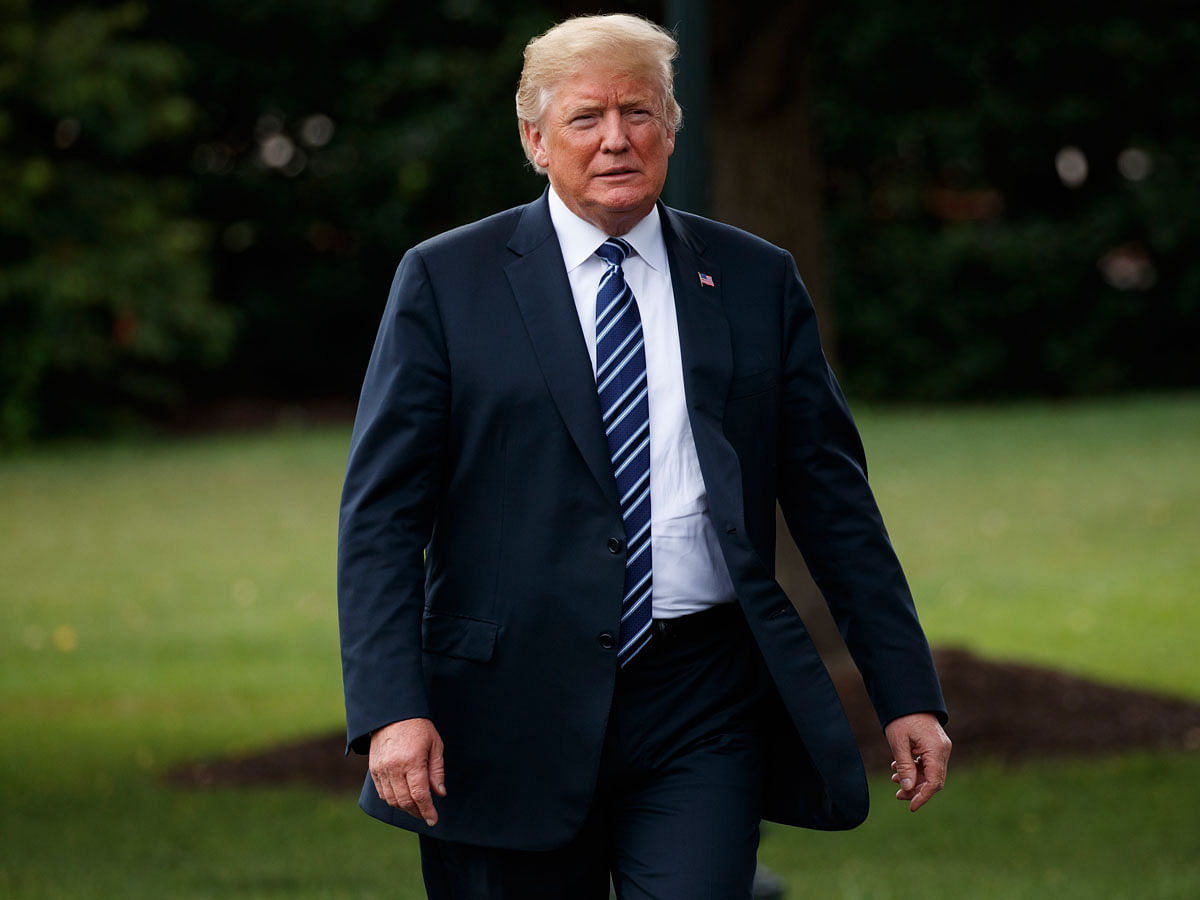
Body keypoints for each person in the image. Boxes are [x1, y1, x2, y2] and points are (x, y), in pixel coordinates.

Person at [337, 12, 950, 899]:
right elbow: (382, 518)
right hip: (507, 708)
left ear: (670, 129)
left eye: (640, 113)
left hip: (701, 698)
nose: (617, 140)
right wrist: (392, 708)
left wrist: (906, 690)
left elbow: (832, 499)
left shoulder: (754, 278)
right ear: (535, 140)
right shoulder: (446, 281)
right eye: (587, 118)